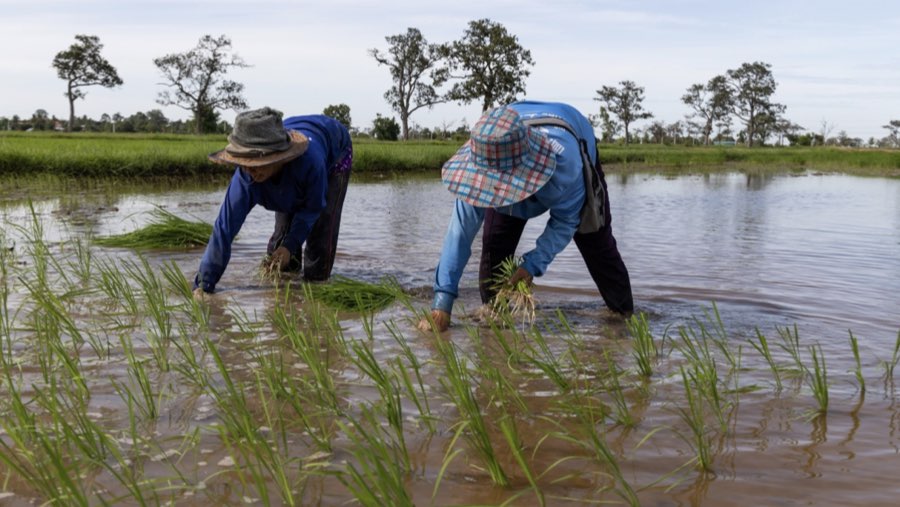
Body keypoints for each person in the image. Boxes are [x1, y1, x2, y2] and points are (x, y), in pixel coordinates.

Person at [417, 101, 633, 332]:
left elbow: (566, 221)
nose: (500, 193)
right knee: (495, 246)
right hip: (512, 134)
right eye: (493, 186)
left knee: (596, 243)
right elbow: (458, 234)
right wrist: (442, 302)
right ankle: (494, 323)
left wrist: (532, 265)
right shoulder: (484, 156)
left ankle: (625, 320)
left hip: (574, 138)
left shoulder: (565, 168)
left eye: (504, 187)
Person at [192, 107, 352, 298]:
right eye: (245, 165)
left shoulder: (311, 163)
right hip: (287, 164)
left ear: (279, 158)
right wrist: (204, 285)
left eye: (259, 164)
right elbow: (223, 230)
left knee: (320, 232)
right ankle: (285, 292)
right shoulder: (245, 178)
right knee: (281, 244)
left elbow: (312, 209)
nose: (252, 171)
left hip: (335, 153)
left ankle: (316, 290)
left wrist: (290, 245)